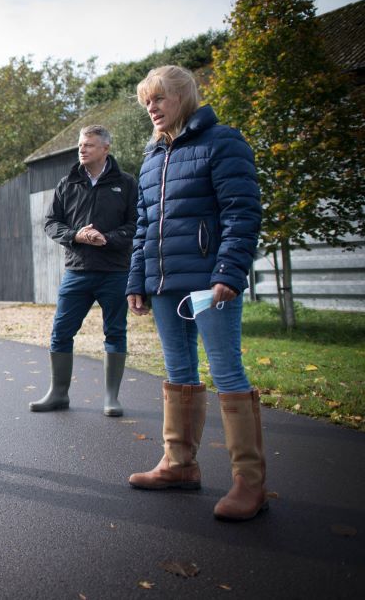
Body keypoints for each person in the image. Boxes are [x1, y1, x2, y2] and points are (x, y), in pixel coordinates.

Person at [126, 65, 266, 521]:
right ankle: (179, 464)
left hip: (210, 281)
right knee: (178, 370)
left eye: (160, 98)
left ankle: (250, 482)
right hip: (165, 282)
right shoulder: (152, 157)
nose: (152, 107)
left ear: (183, 99)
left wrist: (229, 271)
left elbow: (242, 211)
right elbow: (144, 226)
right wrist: (137, 282)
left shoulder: (222, 141)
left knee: (226, 370)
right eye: (148, 100)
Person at [33, 125, 138, 417]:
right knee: (60, 332)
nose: (82, 149)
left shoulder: (127, 184)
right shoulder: (67, 183)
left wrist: (109, 239)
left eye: (89, 145)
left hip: (115, 271)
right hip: (77, 271)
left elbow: (137, 224)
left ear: (105, 149)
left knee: (115, 331)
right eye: (81, 145)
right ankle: (58, 394)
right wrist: (76, 236)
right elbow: (52, 222)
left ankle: (110, 398)